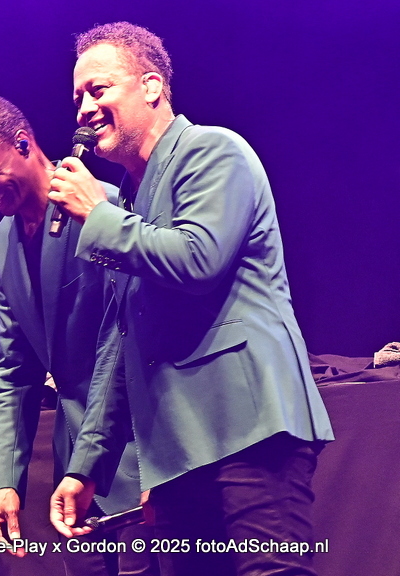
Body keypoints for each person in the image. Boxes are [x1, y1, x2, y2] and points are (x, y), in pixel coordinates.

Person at [47, 22, 334, 576]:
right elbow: (121, 345)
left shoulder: (214, 150)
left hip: (248, 426)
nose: (83, 109)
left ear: (152, 86)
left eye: (98, 89)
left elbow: (198, 258)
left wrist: (96, 214)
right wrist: (86, 466)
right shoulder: (129, 201)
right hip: (176, 450)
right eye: (77, 97)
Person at [0, 95, 154, 576]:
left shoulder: (102, 206)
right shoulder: (1, 240)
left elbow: (124, 341)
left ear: (23, 144)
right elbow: (15, 368)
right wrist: (6, 482)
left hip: (136, 456)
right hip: (72, 474)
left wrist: (90, 461)